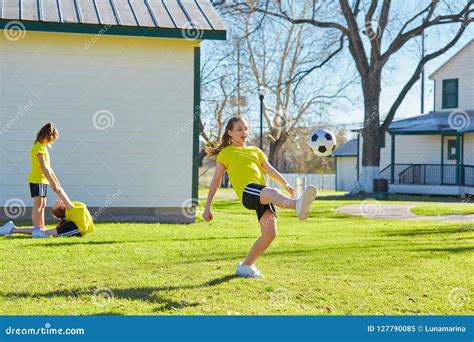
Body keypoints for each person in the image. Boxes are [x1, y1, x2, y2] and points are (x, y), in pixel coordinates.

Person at [202, 116, 317, 278]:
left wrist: (285, 184)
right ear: (230, 133)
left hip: (261, 193)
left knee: (270, 234)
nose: (244, 132)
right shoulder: (226, 153)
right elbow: (215, 181)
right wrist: (208, 207)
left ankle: (245, 266)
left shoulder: (255, 151)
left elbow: (270, 170)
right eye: (240, 129)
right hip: (248, 193)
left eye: (246, 129)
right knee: (272, 192)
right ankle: (297, 205)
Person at [0, 187, 95, 238]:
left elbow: (60, 191)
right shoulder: (71, 209)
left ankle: (13, 229)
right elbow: (59, 190)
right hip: (74, 228)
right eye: (55, 204)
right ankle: (12, 229)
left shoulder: (71, 209)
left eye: (55, 203)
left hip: (74, 228)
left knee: (41, 232)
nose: (56, 201)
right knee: (42, 232)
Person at [28, 123, 61, 231]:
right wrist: (52, 183)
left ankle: (41, 228)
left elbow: (49, 168)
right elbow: (44, 168)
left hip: (42, 180)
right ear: (48, 136)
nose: (52, 142)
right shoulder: (38, 147)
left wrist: (56, 182)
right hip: (37, 179)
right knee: (38, 204)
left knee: (43, 204)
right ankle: (36, 229)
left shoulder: (43, 147)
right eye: (52, 139)